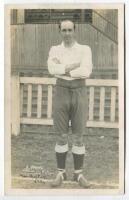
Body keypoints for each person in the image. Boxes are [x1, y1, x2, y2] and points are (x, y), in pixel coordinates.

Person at [47, 20, 93, 188]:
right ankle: (61, 172)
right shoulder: (54, 49)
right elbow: (51, 69)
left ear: (75, 30)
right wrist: (74, 66)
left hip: (79, 91)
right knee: (61, 135)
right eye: (64, 30)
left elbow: (86, 71)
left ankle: (78, 175)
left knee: (79, 136)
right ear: (60, 31)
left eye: (70, 30)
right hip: (61, 91)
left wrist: (64, 68)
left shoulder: (84, 49)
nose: (67, 33)